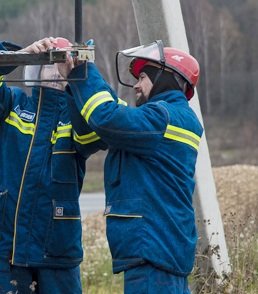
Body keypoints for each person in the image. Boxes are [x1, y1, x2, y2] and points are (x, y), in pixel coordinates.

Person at [58, 40, 203, 293]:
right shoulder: (165, 119)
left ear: (165, 78)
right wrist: (75, 85)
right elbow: (88, 135)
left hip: (153, 259)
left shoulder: (161, 118)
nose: (135, 84)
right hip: (159, 257)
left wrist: (84, 72)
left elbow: (106, 117)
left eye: (143, 76)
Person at [0, 37, 92, 294]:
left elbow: (96, 134)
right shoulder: (10, 105)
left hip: (57, 253)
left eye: (62, 64)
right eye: (49, 63)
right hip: (7, 249)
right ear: (32, 68)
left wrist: (82, 78)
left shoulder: (79, 117)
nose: (55, 72)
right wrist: (17, 56)